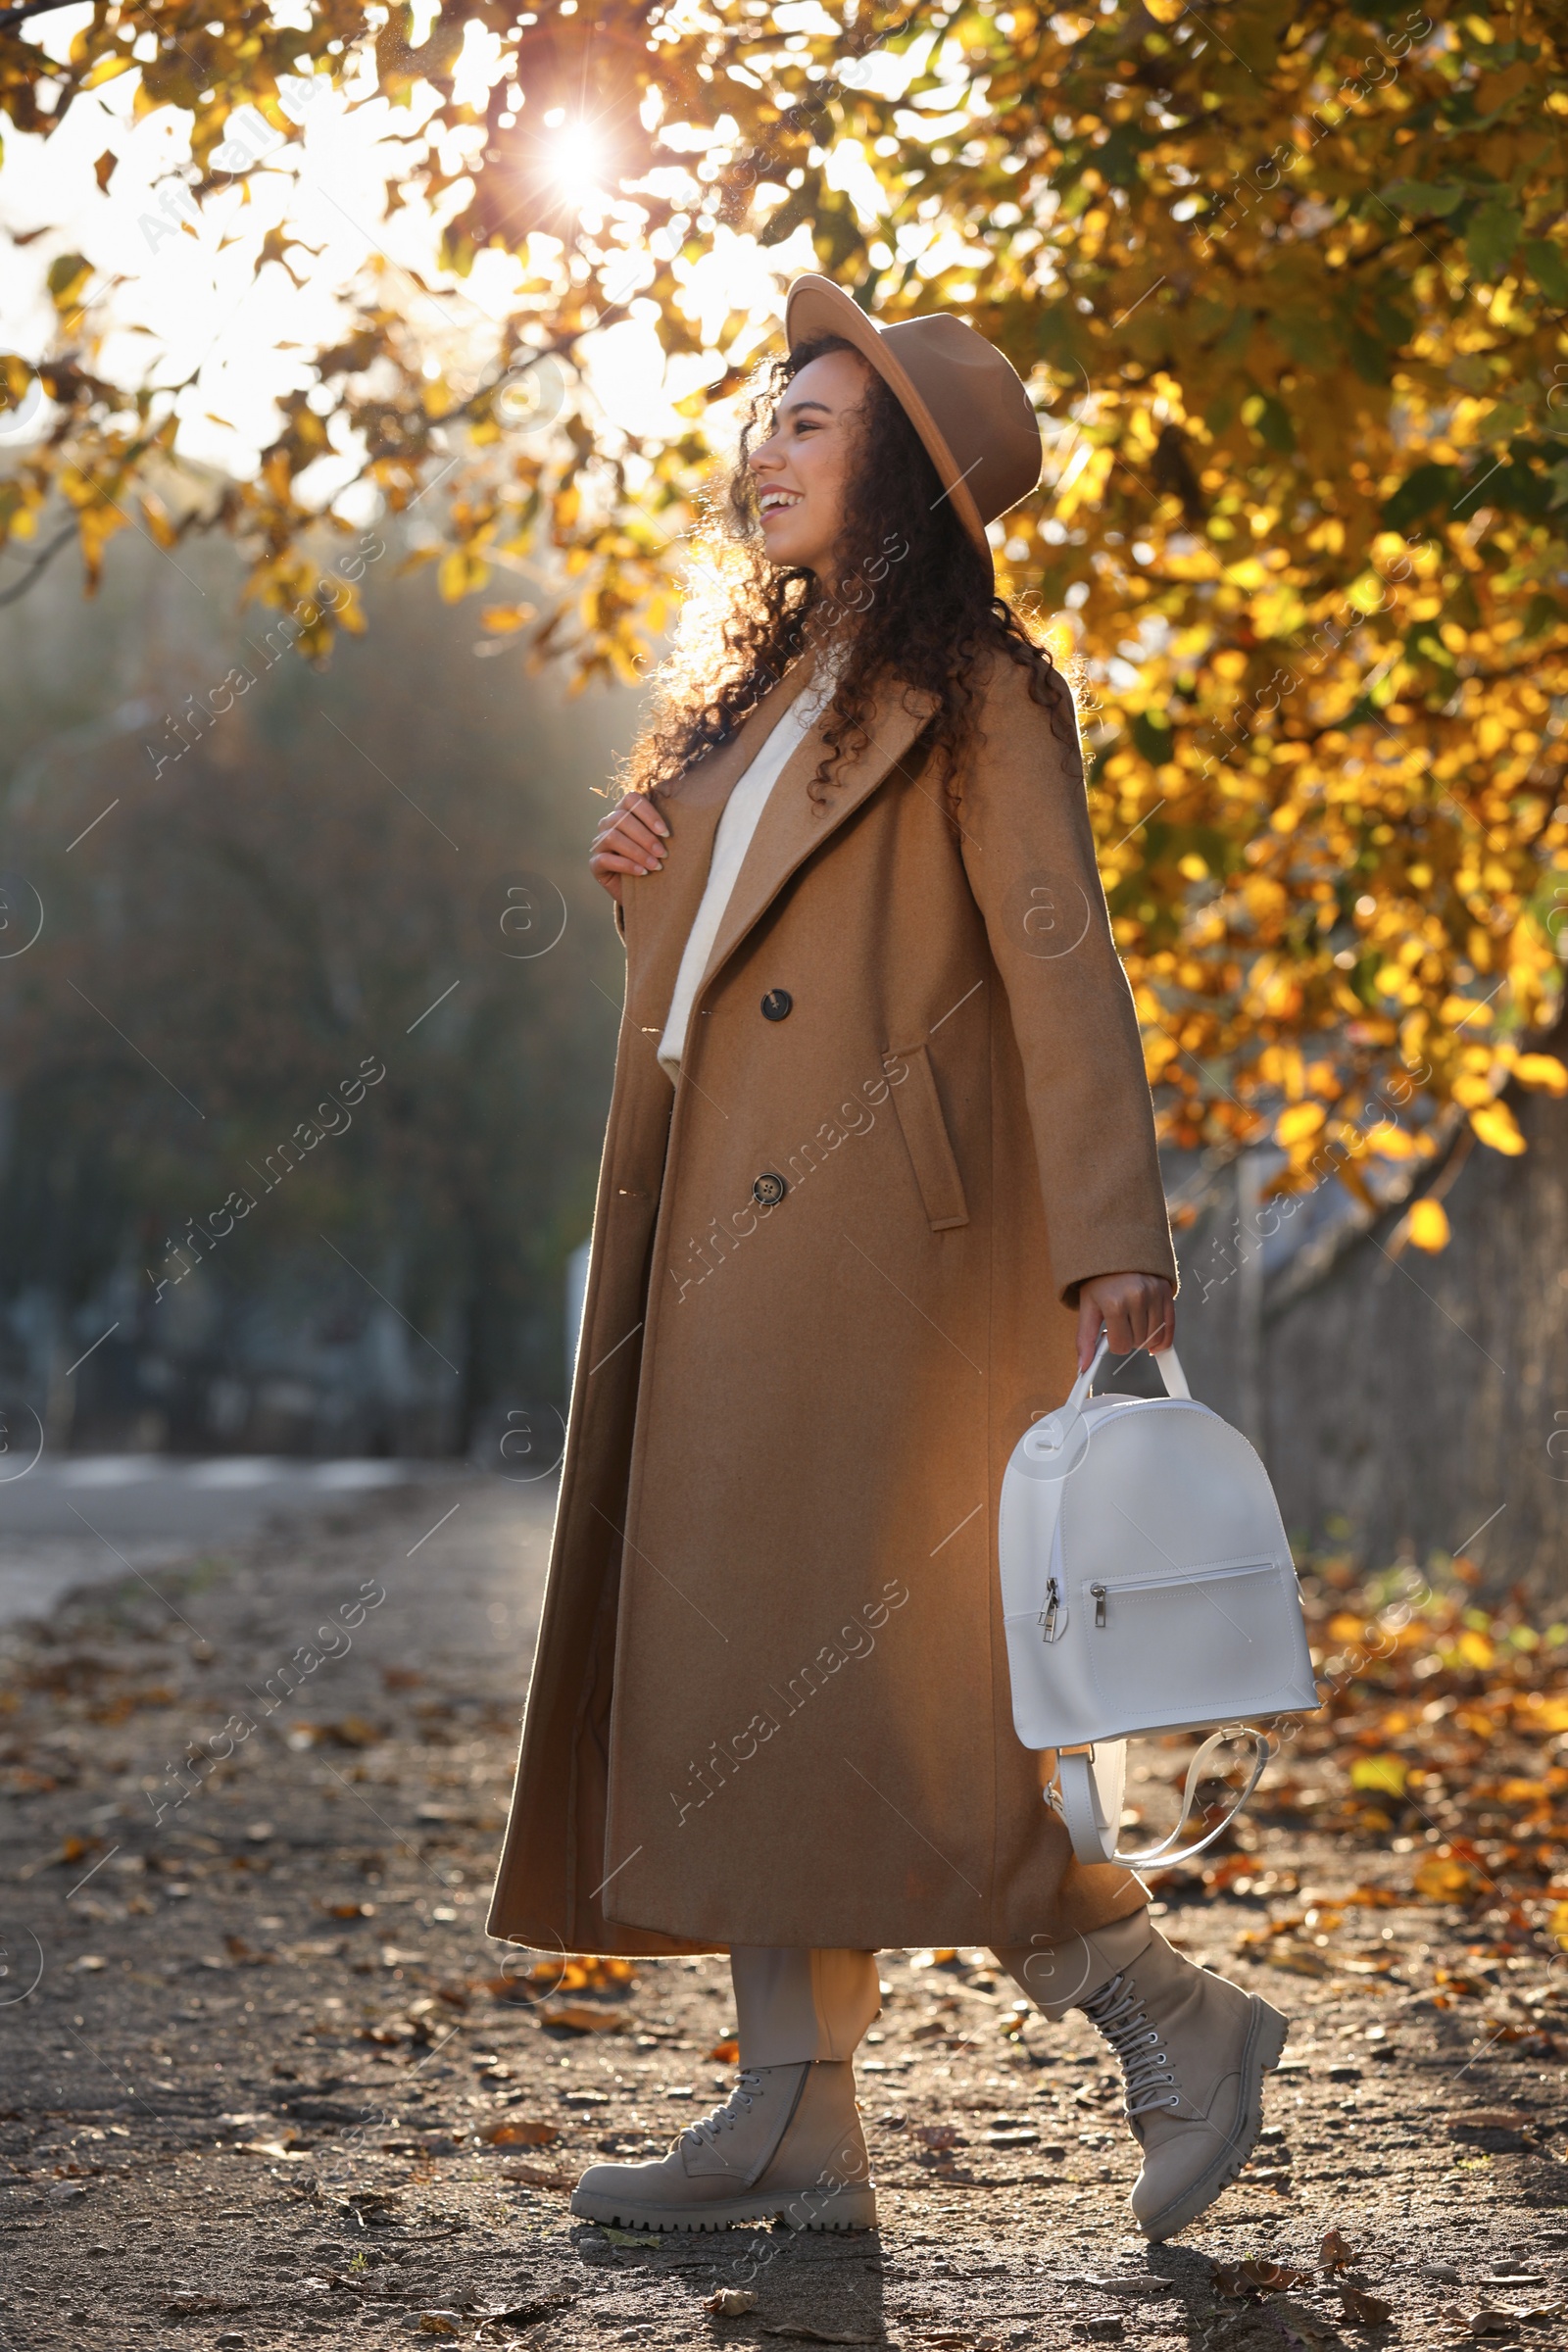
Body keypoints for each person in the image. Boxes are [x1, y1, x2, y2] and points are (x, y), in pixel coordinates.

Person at [485, 272, 1286, 2246]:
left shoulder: (986, 698)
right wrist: (638, 889)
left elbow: (1054, 962)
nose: (760, 445)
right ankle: (789, 2118)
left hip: (879, 1266)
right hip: (718, 1247)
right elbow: (730, 998)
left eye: (807, 423)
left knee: (897, 1708)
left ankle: (1164, 2013)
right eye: (760, 415)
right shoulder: (761, 696)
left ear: (903, 482)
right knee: (744, 1676)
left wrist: (1114, 1239)